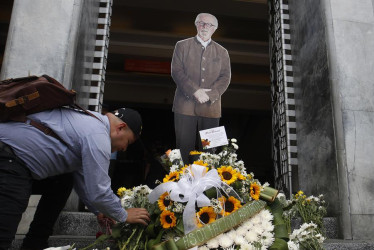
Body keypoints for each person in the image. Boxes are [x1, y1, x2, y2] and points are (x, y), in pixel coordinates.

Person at [0, 107, 150, 250]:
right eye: (128, 142)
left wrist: (99, 211)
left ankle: (34, 244)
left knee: (63, 181)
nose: (124, 148)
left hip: (17, 162)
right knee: (4, 230)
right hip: (9, 158)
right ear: (120, 127)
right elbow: (99, 191)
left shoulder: (90, 122)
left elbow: (83, 180)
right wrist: (123, 214)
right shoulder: (98, 135)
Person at [171, 13, 231, 164]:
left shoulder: (223, 52)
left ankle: (208, 186)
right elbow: (177, 71)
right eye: (201, 23)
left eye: (209, 25)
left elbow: (225, 77)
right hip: (184, 107)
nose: (205, 27)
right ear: (196, 24)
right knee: (183, 150)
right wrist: (195, 91)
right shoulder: (181, 45)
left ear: (215, 29)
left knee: (210, 153)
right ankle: (182, 184)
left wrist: (212, 95)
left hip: (212, 108)